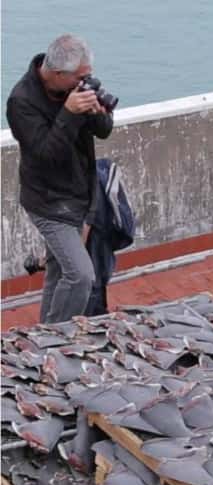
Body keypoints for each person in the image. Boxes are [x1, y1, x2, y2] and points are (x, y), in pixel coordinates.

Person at [6, 34, 113, 324]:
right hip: (48, 203)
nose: (84, 82)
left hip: (80, 195)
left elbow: (103, 131)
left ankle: (44, 333)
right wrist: (68, 113)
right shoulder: (21, 102)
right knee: (80, 275)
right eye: (80, 77)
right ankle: (54, 341)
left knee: (58, 272)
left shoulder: (73, 88)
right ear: (57, 74)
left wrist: (97, 111)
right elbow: (44, 155)